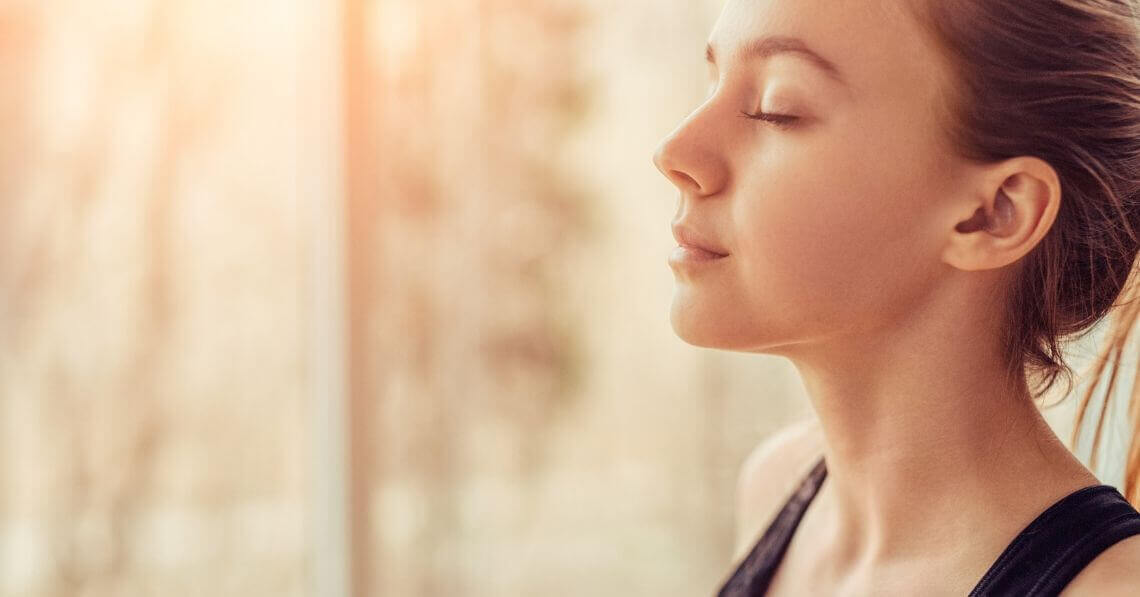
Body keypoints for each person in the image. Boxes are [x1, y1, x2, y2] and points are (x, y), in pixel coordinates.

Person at [651, 0, 1140, 594]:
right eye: (713, 82)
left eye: (775, 109)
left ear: (995, 213)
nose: (674, 152)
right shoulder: (778, 485)